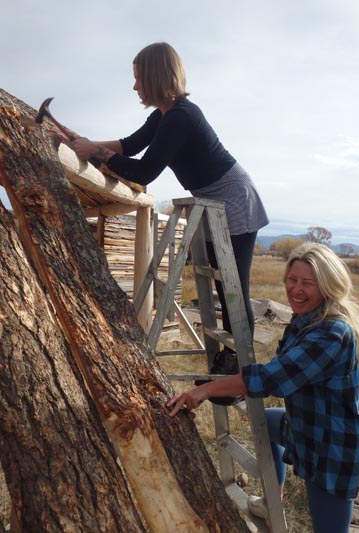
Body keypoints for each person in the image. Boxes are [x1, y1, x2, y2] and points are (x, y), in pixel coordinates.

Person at [64, 42, 269, 402]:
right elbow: (129, 145)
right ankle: (230, 363)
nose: (134, 87)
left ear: (156, 76)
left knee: (234, 290)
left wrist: (95, 153)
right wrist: (81, 141)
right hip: (211, 201)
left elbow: (145, 170)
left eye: (138, 78)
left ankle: (241, 375)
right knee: (224, 290)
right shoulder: (163, 116)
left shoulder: (180, 117)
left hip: (234, 200)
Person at [168, 243, 359, 533]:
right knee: (263, 420)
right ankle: (271, 499)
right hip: (306, 425)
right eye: (292, 280)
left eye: (308, 283)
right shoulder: (305, 319)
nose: (296, 290)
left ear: (328, 286)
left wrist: (205, 390)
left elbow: (271, 379)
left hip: (333, 445)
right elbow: (283, 368)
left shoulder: (331, 332)